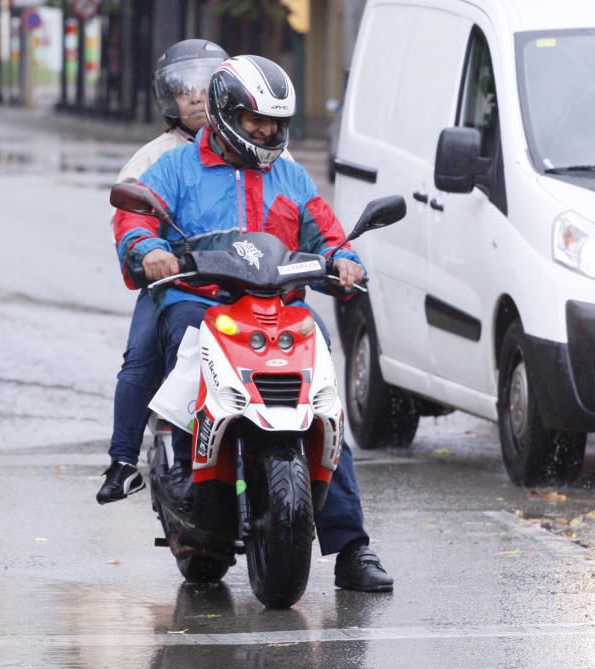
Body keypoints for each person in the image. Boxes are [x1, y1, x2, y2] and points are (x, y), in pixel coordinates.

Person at [113, 55, 393, 592]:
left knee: (322, 394)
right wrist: (148, 249)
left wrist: (345, 259)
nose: (266, 132)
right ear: (224, 114)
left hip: (278, 307)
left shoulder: (289, 173)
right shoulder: (173, 170)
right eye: (255, 120)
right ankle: (176, 463)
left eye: (275, 123)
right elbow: (134, 218)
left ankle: (352, 547)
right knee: (183, 339)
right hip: (201, 301)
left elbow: (326, 233)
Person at [96, 38, 229, 505]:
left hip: (248, 284)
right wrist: (150, 251)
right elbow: (130, 217)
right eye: (183, 89)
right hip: (177, 285)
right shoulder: (156, 158)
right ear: (168, 99)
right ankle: (125, 460)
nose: (195, 97)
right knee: (141, 359)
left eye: (205, 86)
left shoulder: (266, 152)